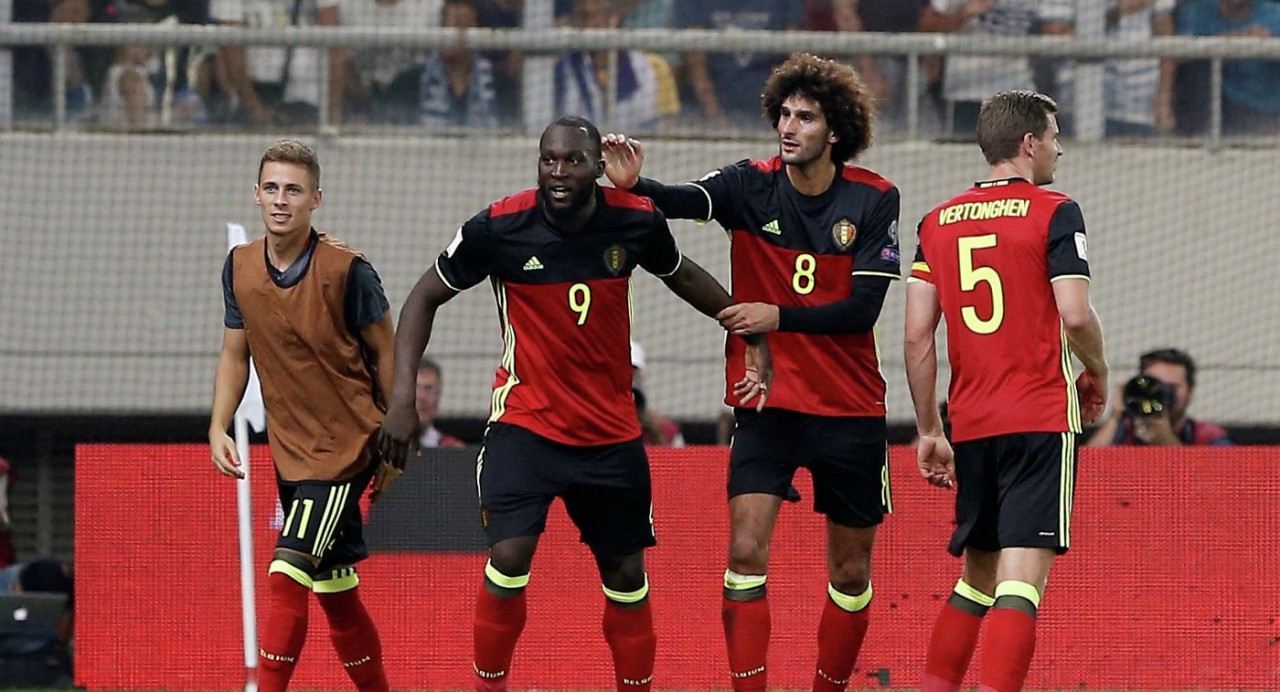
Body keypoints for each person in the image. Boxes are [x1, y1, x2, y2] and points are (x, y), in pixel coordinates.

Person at [378, 115, 772, 692]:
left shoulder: (635, 220)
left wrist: (744, 325)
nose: (558, 172)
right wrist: (401, 400)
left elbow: (681, 274)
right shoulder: (499, 226)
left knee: (627, 575)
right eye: (549, 160)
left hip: (610, 436)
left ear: (597, 167)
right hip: (525, 426)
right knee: (510, 556)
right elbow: (423, 296)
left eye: (573, 161)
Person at [603, 52, 902, 692]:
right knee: (744, 552)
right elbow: (681, 200)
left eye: (806, 117)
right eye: (784, 114)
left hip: (851, 409)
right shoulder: (748, 184)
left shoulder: (875, 198)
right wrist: (637, 184)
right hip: (766, 402)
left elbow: (862, 310)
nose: (789, 127)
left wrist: (776, 317)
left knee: (851, 573)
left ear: (836, 130)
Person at [904, 89, 1109, 692]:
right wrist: (1098, 368)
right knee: (1020, 583)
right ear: (1028, 143)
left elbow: (916, 337)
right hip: (1038, 416)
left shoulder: (936, 222)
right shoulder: (1055, 210)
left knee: (977, 579)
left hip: (971, 421)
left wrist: (929, 428)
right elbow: (1075, 314)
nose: (1058, 149)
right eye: (1054, 137)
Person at [209, 140, 396, 692]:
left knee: (286, 573)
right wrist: (217, 425)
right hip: (291, 450)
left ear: (316, 199)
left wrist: (396, 442)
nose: (280, 200)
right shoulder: (240, 266)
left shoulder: (348, 270)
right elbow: (234, 354)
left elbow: (388, 353)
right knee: (336, 591)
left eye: (293, 190)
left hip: (344, 447)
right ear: (256, 194)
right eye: (271, 188)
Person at [1085, 347, 1231, 446]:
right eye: (1154, 385)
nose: (1161, 392)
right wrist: (1115, 417)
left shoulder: (1209, 437)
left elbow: (1203, 477)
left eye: (1172, 386)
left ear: (1189, 391)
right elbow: (1084, 468)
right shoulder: (1124, 432)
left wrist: (1162, 434)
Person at [419, 0, 500, 129]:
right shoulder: (409, 84)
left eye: (462, 26)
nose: (457, 37)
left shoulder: (500, 86)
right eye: (448, 26)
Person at [629, 340, 684, 447]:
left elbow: (677, 456)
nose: (629, 377)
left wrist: (657, 434)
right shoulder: (598, 426)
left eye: (633, 370)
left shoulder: (666, 429)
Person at [416, 356, 467, 448]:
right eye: (415, 388)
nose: (422, 397)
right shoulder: (388, 448)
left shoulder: (454, 449)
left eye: (429, 389)